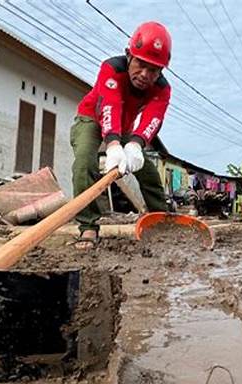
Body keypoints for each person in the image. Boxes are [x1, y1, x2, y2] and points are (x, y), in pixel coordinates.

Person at [70, 22, 172, 248]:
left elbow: (153, 118)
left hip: (124, 129)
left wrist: (136, 144)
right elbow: (110, 105)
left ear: (161, 72)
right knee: (85, 161)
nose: (144, 75)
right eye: (140, 64)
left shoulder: (162, 89)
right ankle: (88, 227)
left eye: (153, 70)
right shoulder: (112, 69)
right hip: (91, 118)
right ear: (128, 55)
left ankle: (162, 221)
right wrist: (113, 145)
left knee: (149, 173)